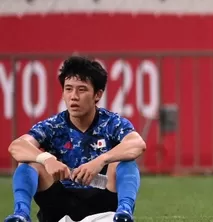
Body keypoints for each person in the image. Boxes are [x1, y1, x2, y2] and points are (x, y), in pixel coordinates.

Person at [4, 56, 146, 222]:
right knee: (28, 161)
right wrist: (46, 158)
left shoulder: (111, 122)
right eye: (68, 89)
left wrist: (100, 161)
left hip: (101, 195)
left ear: (97, 95)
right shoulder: (53, 126)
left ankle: (124, 214)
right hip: (60, 200)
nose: (74, 96)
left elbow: (137, 144)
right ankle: (20, 215)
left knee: (125, 161)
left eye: (82, 90)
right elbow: (17, 146)